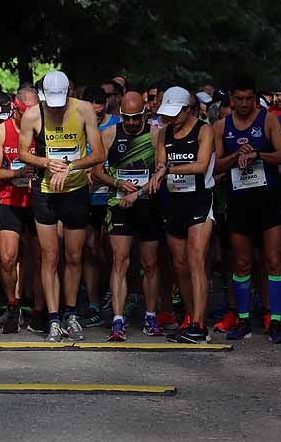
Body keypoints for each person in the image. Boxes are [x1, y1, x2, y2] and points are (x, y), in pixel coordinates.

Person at [17, 70, 105, 342]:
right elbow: (22, 153)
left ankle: (71, 313)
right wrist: (45, 163)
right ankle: (53, 318)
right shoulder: (33, 114)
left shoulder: (84, 110)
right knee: (50, 256)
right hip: (44, 192)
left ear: (69, 93)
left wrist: (70, 167)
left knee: (75, 255)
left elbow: (99, 153)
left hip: (76, 189)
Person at [212, 76, 281, 343]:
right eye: (239, 99)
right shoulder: (221, 126)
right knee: (242, 262)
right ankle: (243, 318)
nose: (244, 104)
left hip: (269, 198)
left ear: (255, 98)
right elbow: (216, 167)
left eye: (249, 99)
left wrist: (257, 154)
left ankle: (275, 320)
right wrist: (236, 157)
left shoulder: (268, 120)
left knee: (273, 260)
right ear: (232, 98)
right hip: (239, 201)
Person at [92, 91, 164, 340]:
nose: (132, 123)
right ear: (120, 114)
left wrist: (147, 184)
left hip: (148, 205)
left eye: (136, 117)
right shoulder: (110, 134)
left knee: (150, 263)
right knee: (119, 261)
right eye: (127, 118)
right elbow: (96, 172)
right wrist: (118, 182)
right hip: (120, 204)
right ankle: (118, 319)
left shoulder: (156, 135)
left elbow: (163, 169)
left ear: (145, 112)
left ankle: (151, 316)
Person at [148, 86, 215, 344]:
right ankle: (189, 317)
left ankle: (199, 323)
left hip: (199, 200)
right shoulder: (165, 132)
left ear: (189, 109)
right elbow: (160, 163)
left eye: (177, 113)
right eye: (169, 113)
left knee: (196, 259)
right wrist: (159, 172)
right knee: (179, 265)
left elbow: (200, 165)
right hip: (174, 201)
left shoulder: (204, 130)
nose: (172, 118)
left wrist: (169, 170)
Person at [0, 88, 41, 334]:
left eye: (34, 111)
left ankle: (40, 309)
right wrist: (16, 174)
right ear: (15, 108)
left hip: (38, 200)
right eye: (24, 111)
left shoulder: (42, 129)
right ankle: (12, 305)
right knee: (7, 258)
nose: (29, 116)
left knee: (42, 258)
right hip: (11, 199)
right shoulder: (2, 130)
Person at [78, 85, 121, 328]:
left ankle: (114, 295)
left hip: (112, 195)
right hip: (86, 197)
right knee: (89, 249)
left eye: (100, 113)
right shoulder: (77, 123)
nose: (95, 117)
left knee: (113, 250)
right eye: (92, 113)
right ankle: (93, 304)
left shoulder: (116, 124)